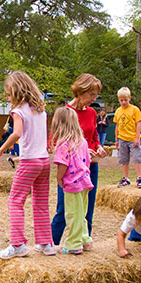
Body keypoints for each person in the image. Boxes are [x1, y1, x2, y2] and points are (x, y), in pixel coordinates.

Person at [0, 71, 54, 258]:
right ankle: (45, 243)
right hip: (44, 162)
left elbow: (17, 133)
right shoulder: (40, 110)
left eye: (9, 93)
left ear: (18, 91)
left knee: (15, 201)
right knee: (41, 204)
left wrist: (2, 149)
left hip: (30, 162)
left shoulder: (18, 111)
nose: (8, 97)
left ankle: (17, 244)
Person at [51, 73, 106, 247]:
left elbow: (95, 136)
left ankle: (83, 243)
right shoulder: (66, 113)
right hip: (70, 171)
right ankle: (51, 245)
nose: (94, 99)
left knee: (86, 210)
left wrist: (98, 147)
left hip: (89, 168)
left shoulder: (91, 113)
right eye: (91, 94)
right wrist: (78, 150)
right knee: (64, 210)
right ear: (80, 92)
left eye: (96, 95)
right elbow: (53, 141)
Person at [51, 107, 94, 255]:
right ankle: (84, 238)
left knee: (72, 214)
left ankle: (74, 244)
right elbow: (88, 161)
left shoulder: (64, 144)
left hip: (73, 184)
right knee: (81, 212)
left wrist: (59, 178)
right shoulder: (82, 141)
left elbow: (63, 164)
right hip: (84, 181)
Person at [114, 87, 141, 188]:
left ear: (129, 98)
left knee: (137, 158)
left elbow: (138, 124)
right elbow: (117, 126)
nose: (123, 102)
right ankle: (126, 178)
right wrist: (116, 140)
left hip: (132, 139)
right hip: (122, 139)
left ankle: (139, 178)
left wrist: (137, 138)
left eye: (125, 100)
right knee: (124, 159)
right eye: (121, 100)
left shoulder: (134, 110)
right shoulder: (118, 111)